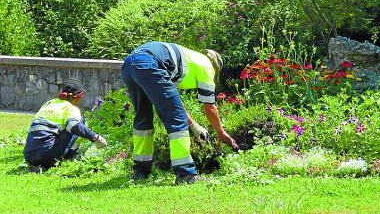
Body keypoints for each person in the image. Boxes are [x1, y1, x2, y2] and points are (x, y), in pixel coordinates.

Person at [120, 41, 238, 184]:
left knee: (143, 119)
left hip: (129, 65)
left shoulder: (190, 58)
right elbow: (209, 106)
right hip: (149, 64)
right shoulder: (207, 66)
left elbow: (173, 102)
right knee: (176, 122)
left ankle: (140, 172)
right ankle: (186, 174)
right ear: (216, 67)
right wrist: (220, 131)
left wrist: (194, 125)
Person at [23, 83, 108, 169]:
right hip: (48, 156)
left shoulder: (49, 103)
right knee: (80, 123)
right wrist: (95, 137)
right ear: (78, 97)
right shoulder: (71, 108)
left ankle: (37, 164)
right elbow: (74, 126)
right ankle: (69, 156)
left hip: (29, 156)